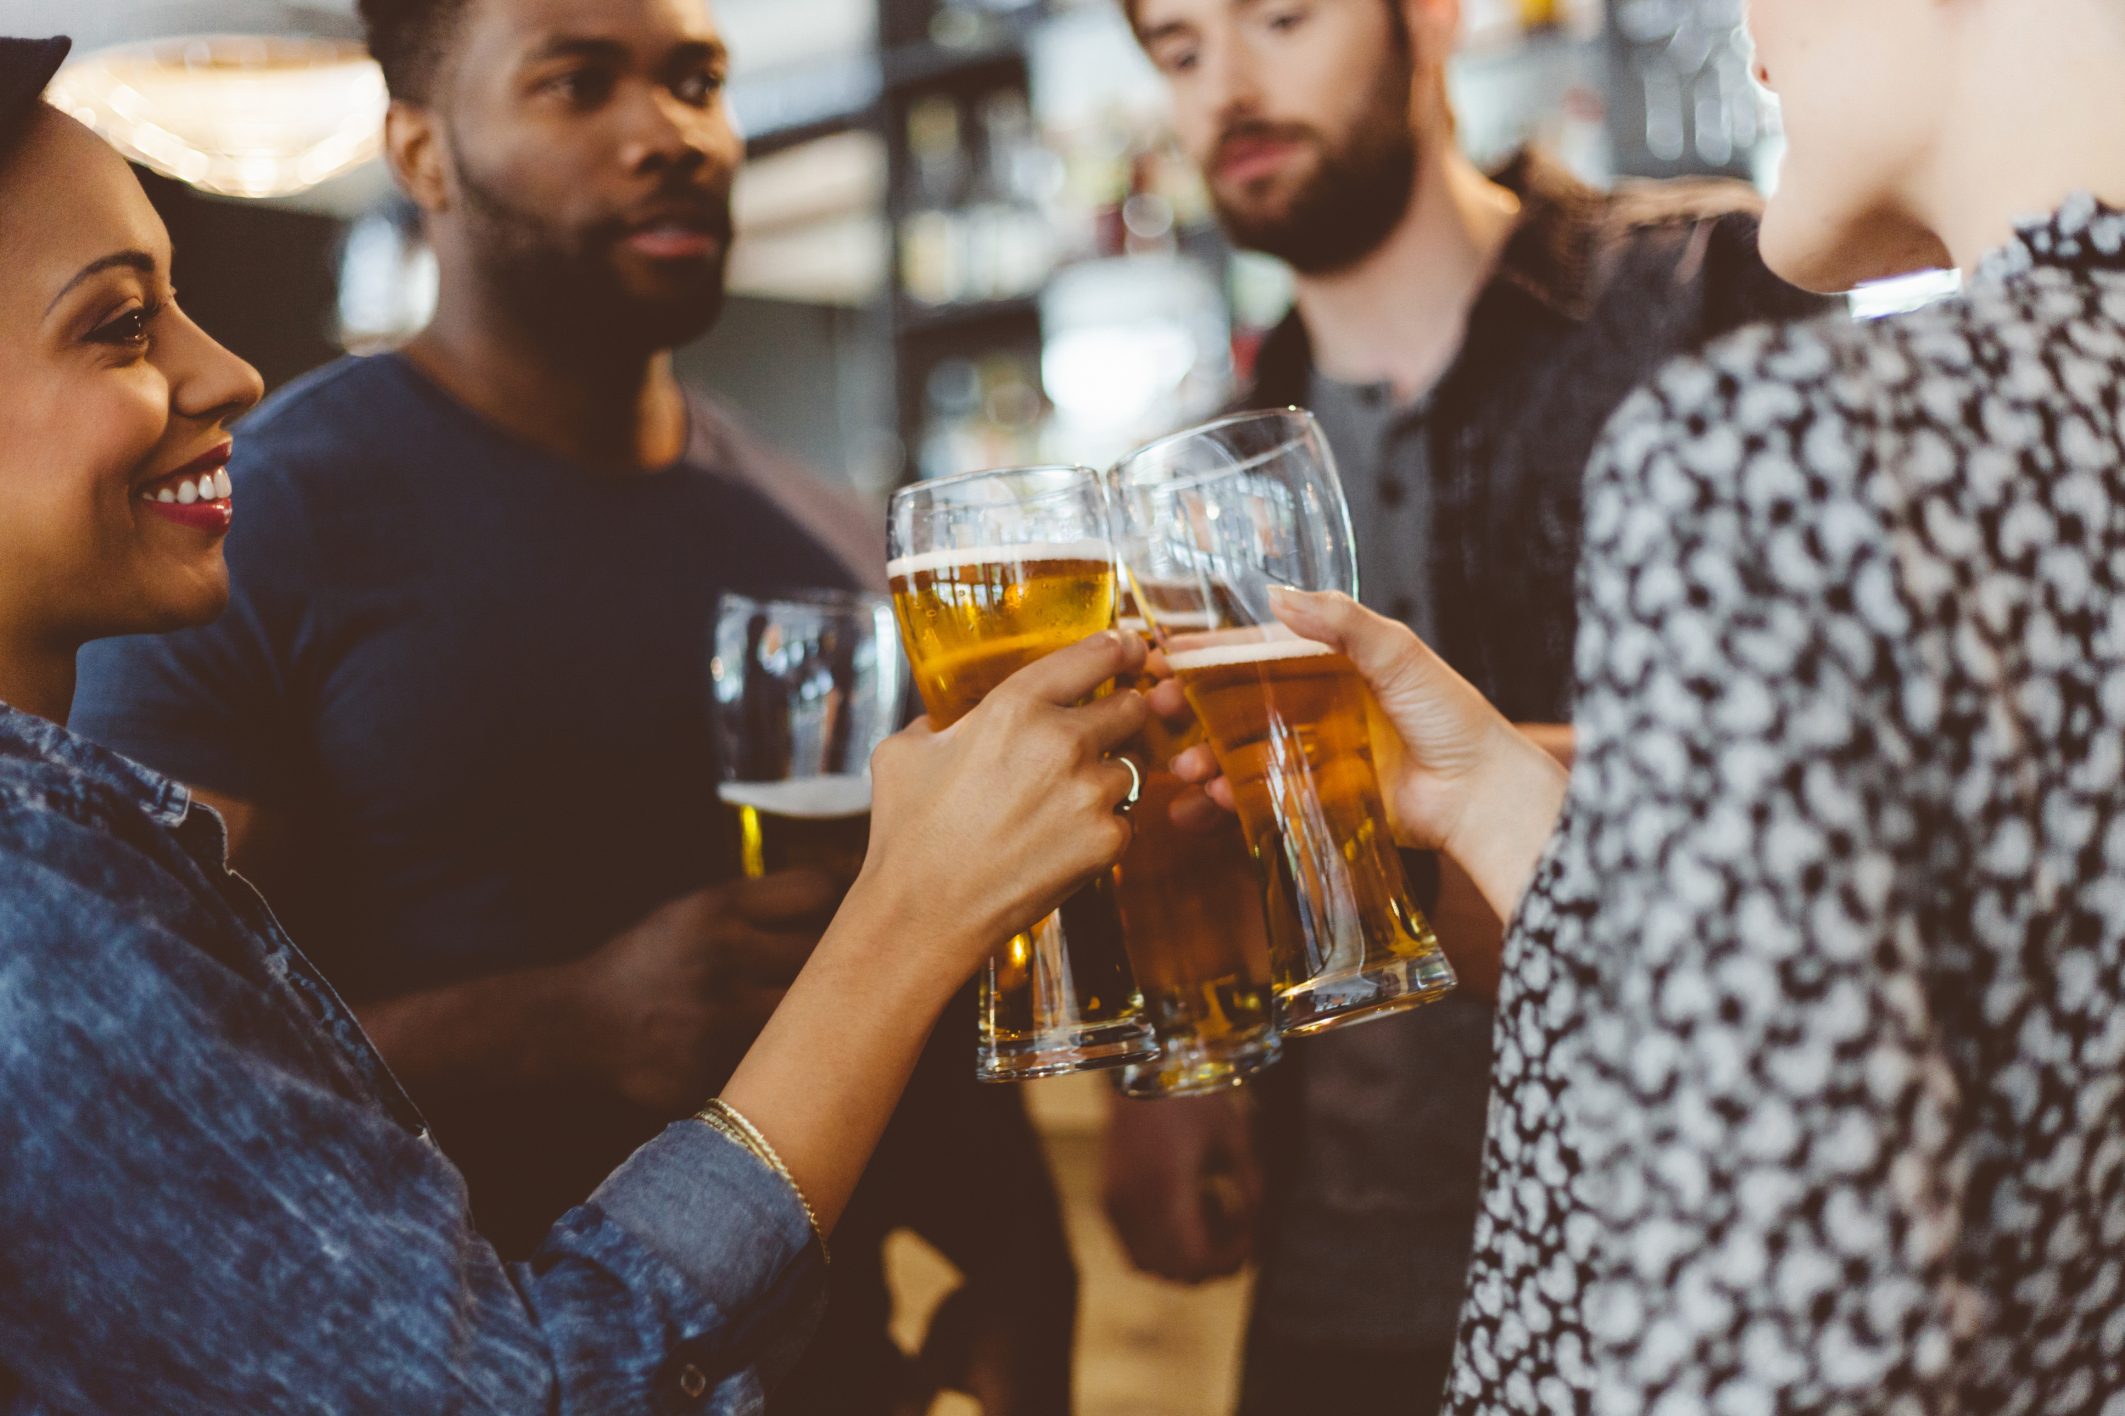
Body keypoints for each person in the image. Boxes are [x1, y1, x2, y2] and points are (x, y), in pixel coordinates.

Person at [0, 38, 1146, 1412]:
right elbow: (183, 1092)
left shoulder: (831, 537)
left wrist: (1022, 1253)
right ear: (420, 152)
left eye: (700, 78)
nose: (671, 132)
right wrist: (573, 1019)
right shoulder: (246, 551)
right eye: (577, 79)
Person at [1162, 0, 2125, 1408]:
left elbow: (1788, 1333)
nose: (1751, 26)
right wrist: (1500, 801)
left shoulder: (1778, 435)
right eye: (1174, 46)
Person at [1102, 0, 1826, 1407]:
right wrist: (1172, 1065)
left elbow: (1882, 763)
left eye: (1280, 18)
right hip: (1340, 1276)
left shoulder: (1710, 291)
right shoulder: (1190, 471)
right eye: (1179, 49)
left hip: (1685, 1247)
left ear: (1427, 17)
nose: (1225, 88)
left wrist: (1483, 785)